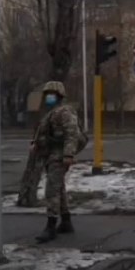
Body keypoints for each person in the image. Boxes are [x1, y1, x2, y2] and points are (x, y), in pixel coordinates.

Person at [32, 81, 86, 243]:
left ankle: (51, 225)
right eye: (47, 94)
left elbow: (71, 134)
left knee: (52, 189)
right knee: (58, 187)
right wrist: (36, 144)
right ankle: (66, 221)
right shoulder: (51, 112)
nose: (49, 96)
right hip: (51, 154)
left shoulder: (65, 112)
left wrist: (68, 155)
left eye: (52, 94)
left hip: (59, 154)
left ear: (59, 96)